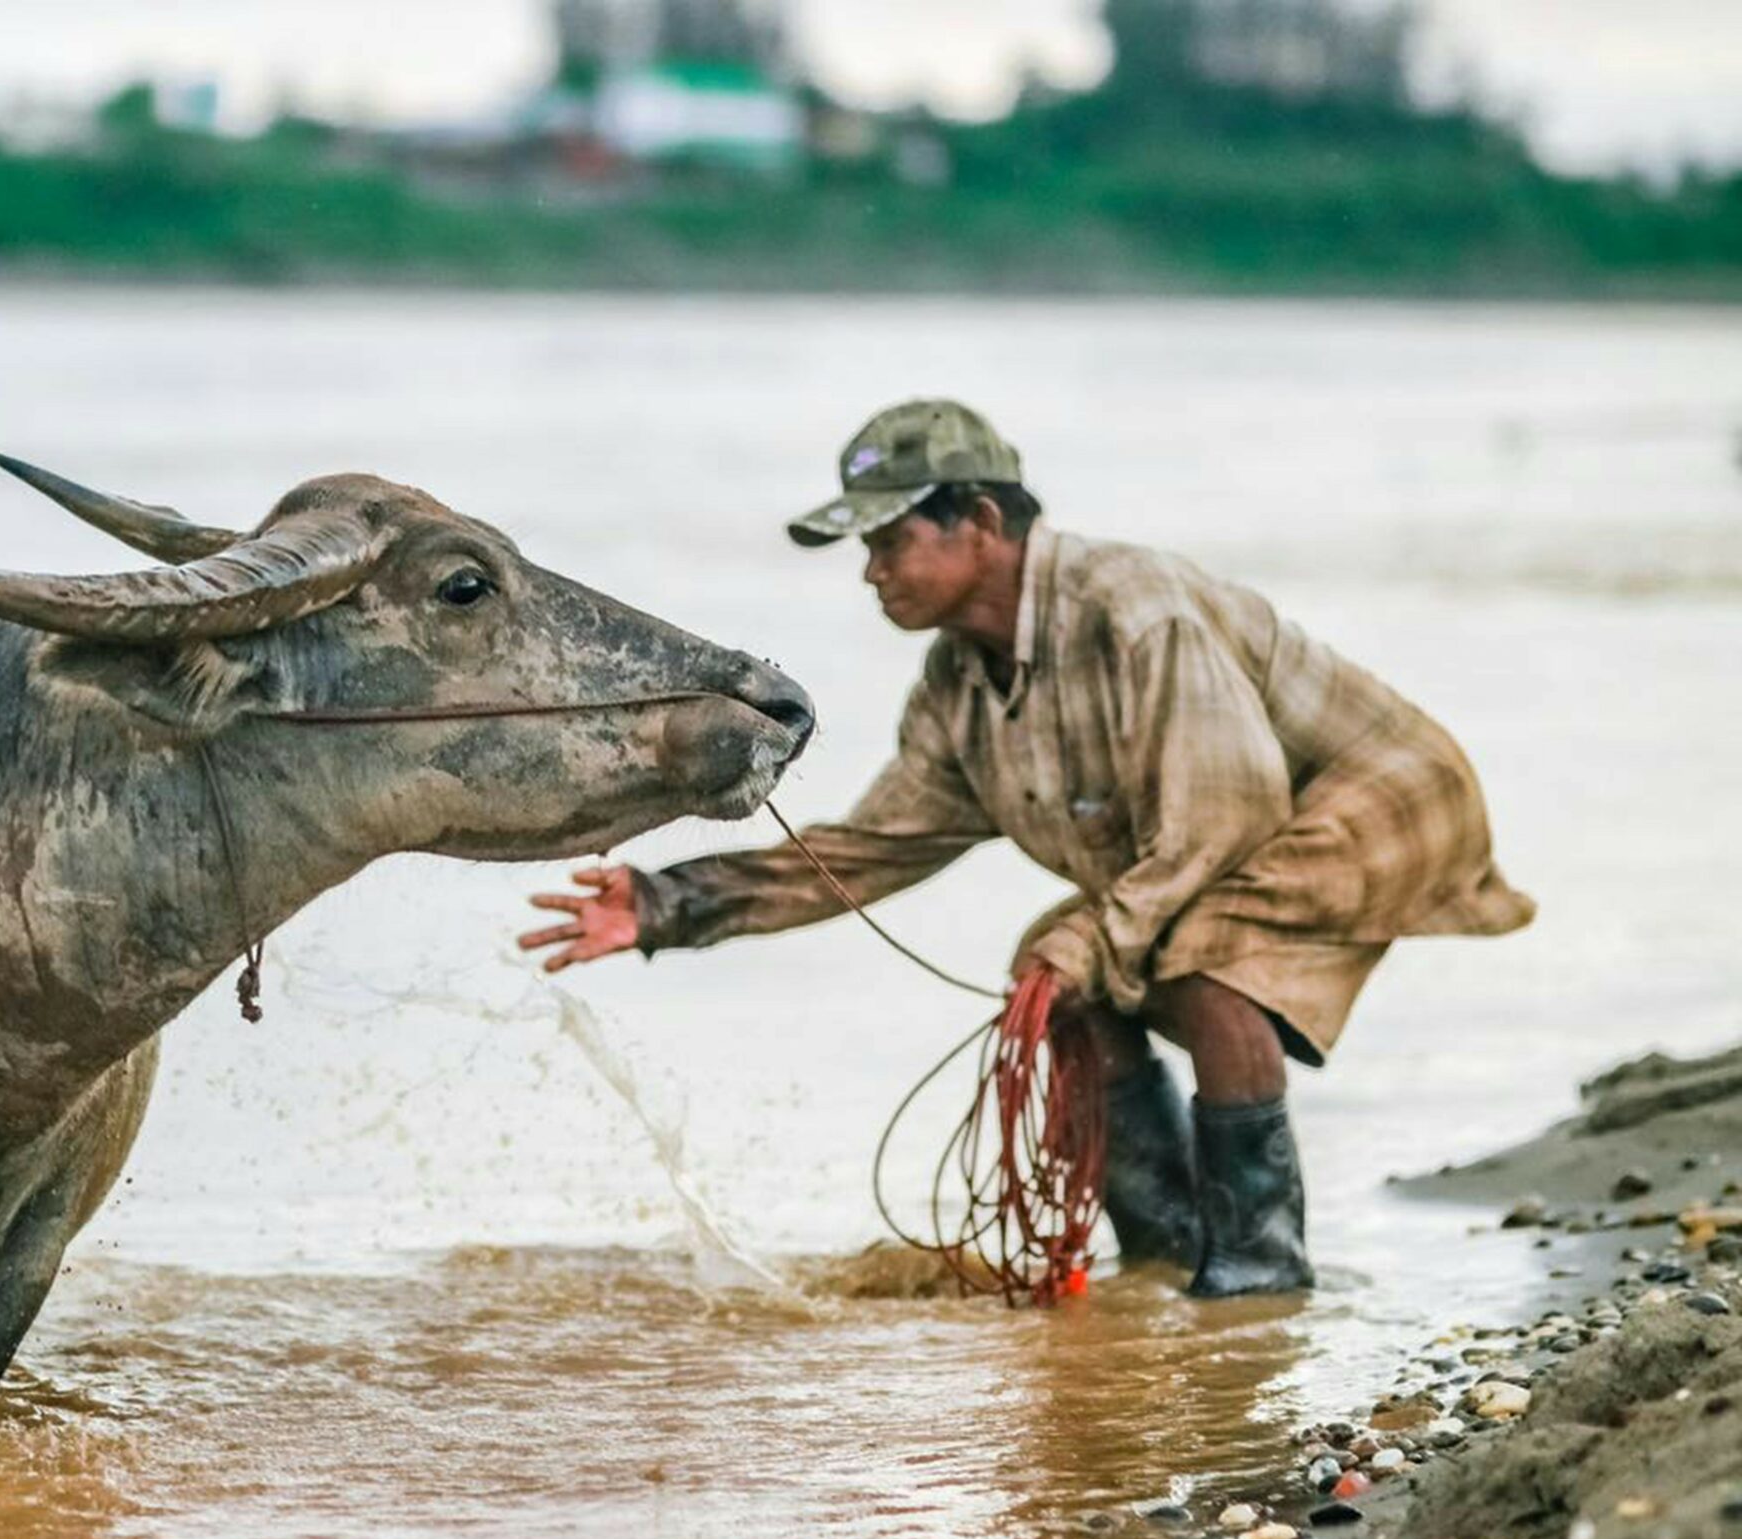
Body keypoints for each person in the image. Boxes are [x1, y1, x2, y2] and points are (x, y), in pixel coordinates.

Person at [518, 399, 1534, 1296]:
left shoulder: (1136, 612)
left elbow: (1221, 822)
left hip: (1384, 797)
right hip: (1217, 836)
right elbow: (872, 848)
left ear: (983, 524)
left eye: (888, 540)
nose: (869, 573)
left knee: (1199, 965)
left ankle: (1258, 1278)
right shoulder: (959, 685)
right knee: (1058, 975)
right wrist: (668, 905)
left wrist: (1090, 942)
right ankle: (1166, 1254)